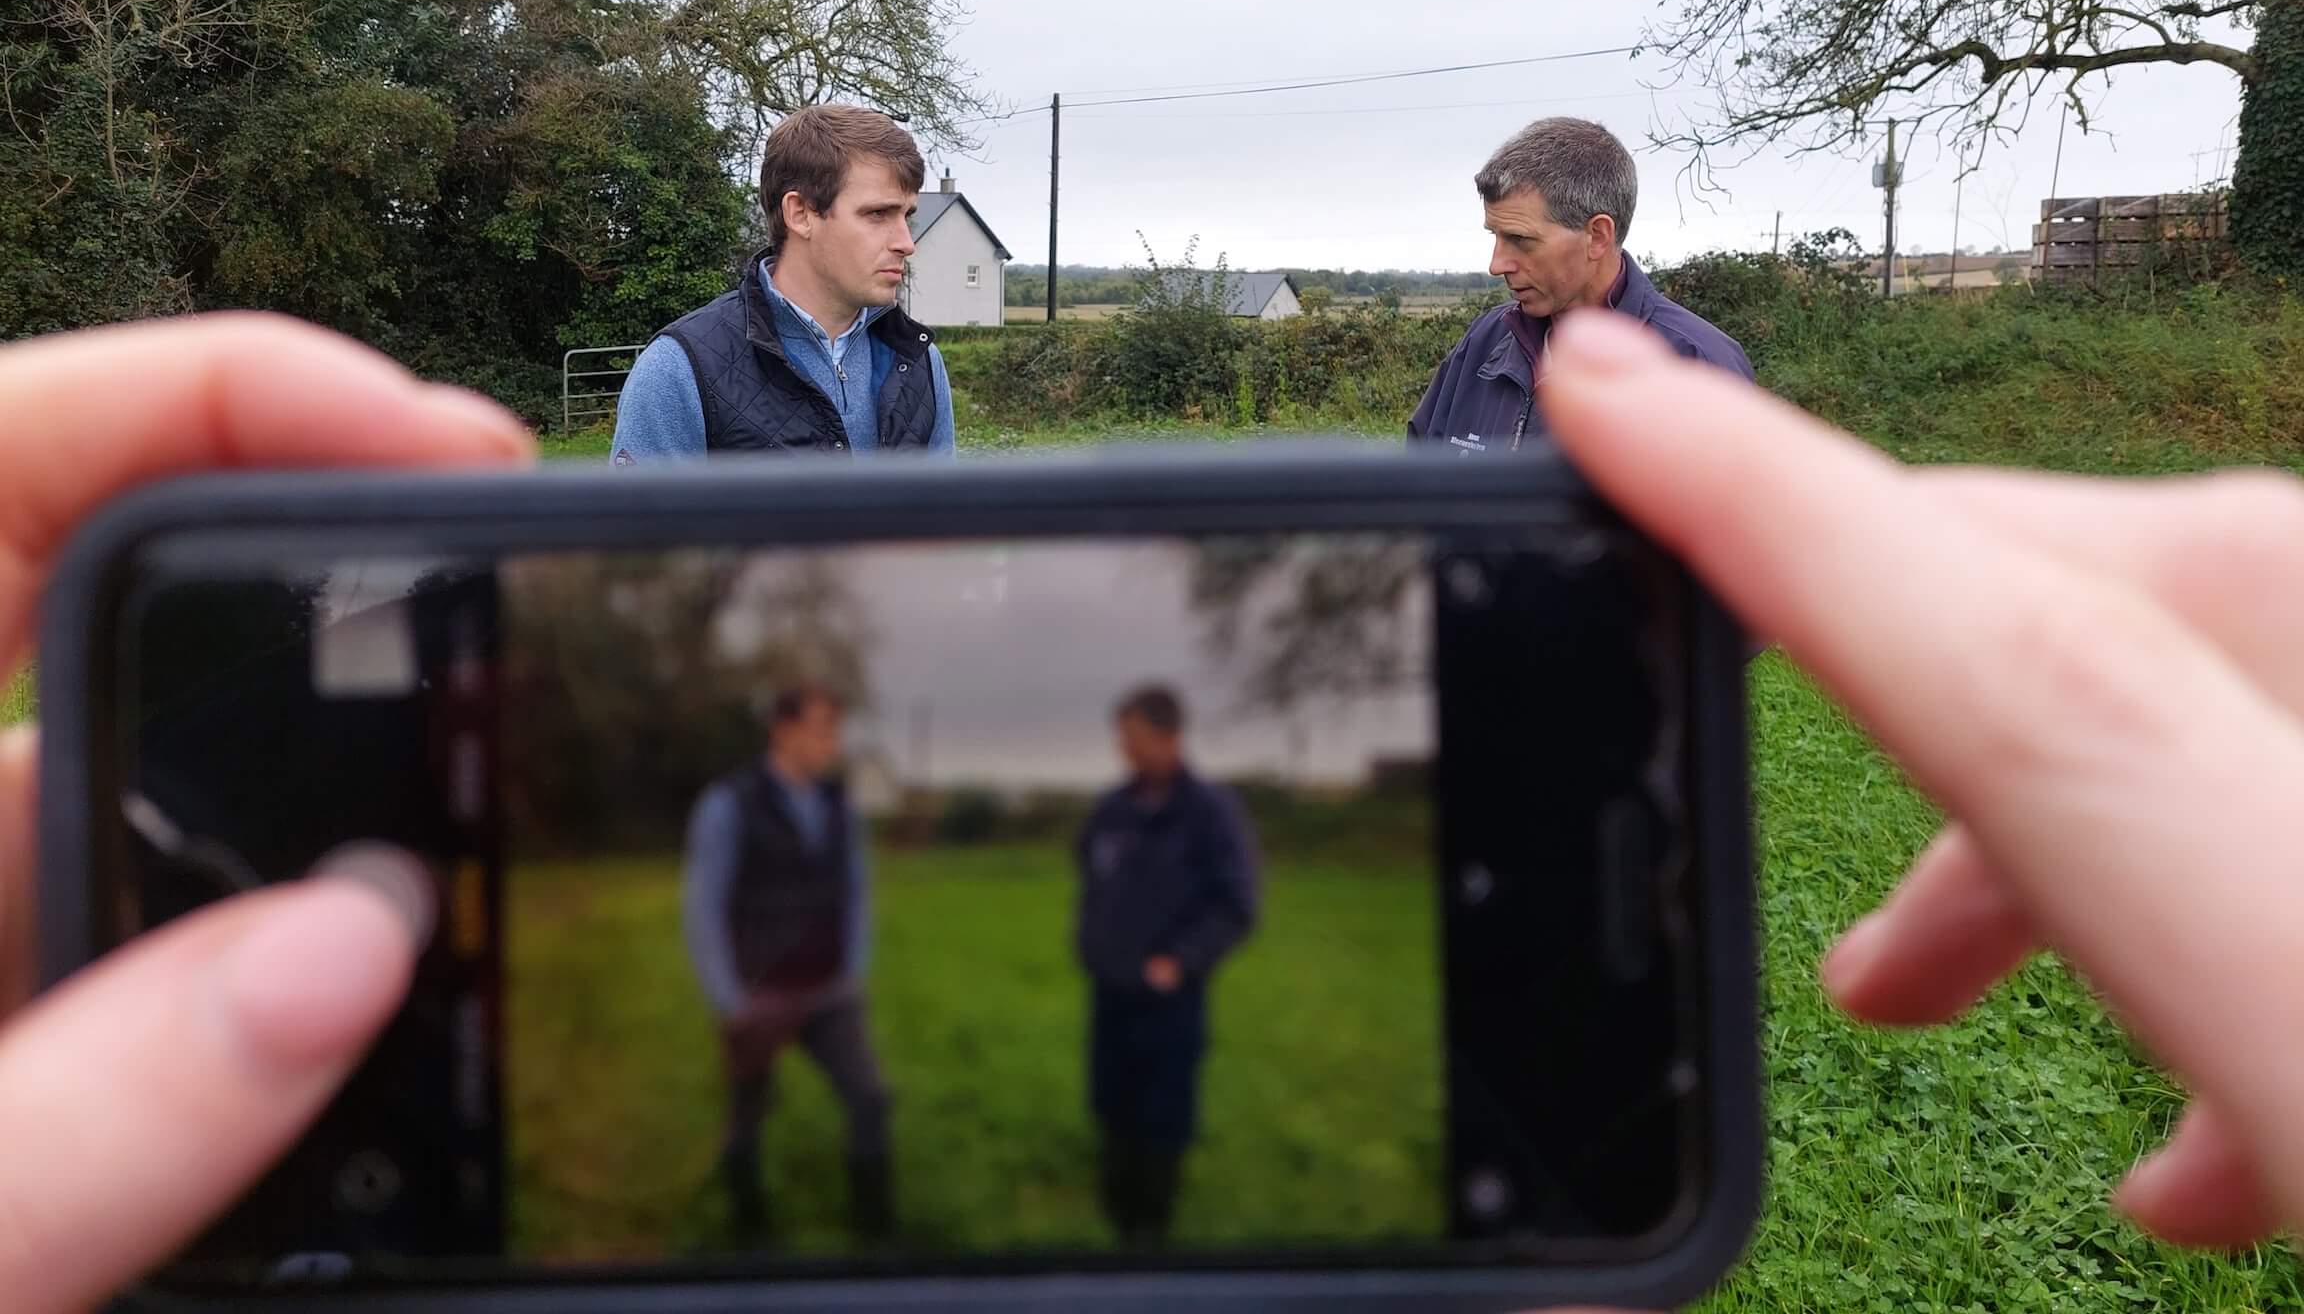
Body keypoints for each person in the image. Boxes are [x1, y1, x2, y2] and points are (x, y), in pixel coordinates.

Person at [4, 311, 2304, 1310]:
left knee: (996, 1121)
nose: (1121, 759)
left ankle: (1055, 1189)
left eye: (1128, 740)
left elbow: (1137, 870)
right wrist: (743, 970)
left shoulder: (1159, 815)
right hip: (773, 989)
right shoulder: (750, 803)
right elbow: (716, 885)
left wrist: (1171, 938)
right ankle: (801, 1181)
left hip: (1095, 992)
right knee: (771, 1125)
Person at [611, 104, 957, 461]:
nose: (906, 242)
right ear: (800, 213)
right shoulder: (678, 370)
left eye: (906, 216)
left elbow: (944, 500)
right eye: (878, 214)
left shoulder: (918, 361)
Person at [681, 683, 892, 1242]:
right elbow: (703, 907)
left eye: (835, 731)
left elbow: (858, 891)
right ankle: (750, 1237)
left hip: (829, 991)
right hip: (759, 994)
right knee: (746, 1121)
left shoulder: (841, 806)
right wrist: (729, 1000)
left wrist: (853, 968)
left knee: (871, 1099)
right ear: (783, 729)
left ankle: (876, 1235)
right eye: (822, 730)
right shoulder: (728, 805)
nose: (832, 743)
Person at [1409, 115, 1754, 454]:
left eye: (1520, 239)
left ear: (1597, 236)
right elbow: (1421, 474)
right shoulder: (1485, 340)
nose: (1496, 264)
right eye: (1495, 236)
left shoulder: (1699, 364)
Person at [1073, 686, 1259, 1246]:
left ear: (1170, 737)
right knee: (1112, 1107)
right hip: (1110, 993)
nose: (1123, 749)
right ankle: (1117, 1220)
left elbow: (1237, 904)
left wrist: (1182, 959)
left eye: (1132, 737)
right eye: (1121, 737)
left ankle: (1151, 1234)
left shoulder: (1209, 813)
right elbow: (1089, 874)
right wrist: (1092, 944)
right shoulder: (1111, 810)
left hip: (1169, 1000)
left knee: (1162, 1118)